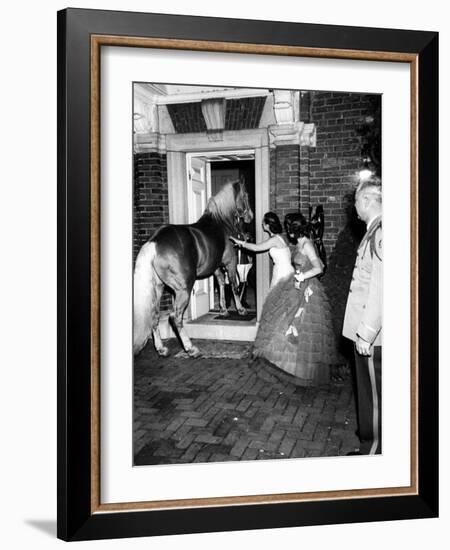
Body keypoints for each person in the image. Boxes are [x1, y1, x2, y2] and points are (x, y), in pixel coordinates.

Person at [233, 212, 341, 386]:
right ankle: (286, 364)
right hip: (296, 284)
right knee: (286, 323)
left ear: (293, 228)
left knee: (302, 328)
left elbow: (320, 267)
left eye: (289, 226)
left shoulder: (306, 243)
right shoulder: (299, 242)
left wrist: (302, 277)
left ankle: (303, 371)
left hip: (308, 289)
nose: (287, 230)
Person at [343, 178, 382, 455]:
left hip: (373, 336)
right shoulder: (374, 231)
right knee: (369, 395)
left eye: (356, 200)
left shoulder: (380, 233)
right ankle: (369, 443)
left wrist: (366, 332)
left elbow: (381, 286)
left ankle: (374, 453)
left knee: (375, 398)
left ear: (367, 200)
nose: (354, 206)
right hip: (368, 333)